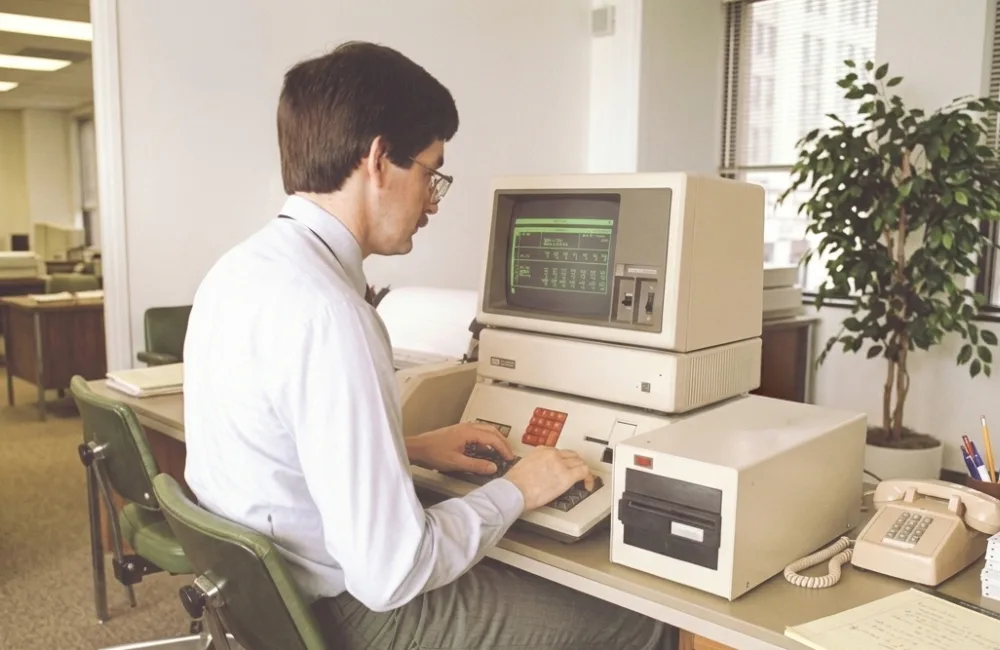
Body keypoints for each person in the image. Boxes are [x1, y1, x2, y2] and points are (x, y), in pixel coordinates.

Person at [182, 40, 678, 650]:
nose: (433, 203)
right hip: (349, 617)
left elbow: (277, 455)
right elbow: (393, 572)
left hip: (270, 604)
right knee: (646, 621)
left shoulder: (238, 270)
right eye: (431, 172)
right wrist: (519, 488)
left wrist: (408, 447)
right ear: (379, 160)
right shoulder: (331, 314)